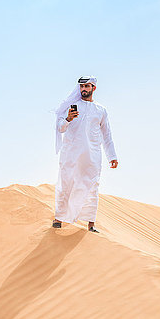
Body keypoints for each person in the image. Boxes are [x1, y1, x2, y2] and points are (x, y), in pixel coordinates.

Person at [52, 75, 119, 232]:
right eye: (81, 87)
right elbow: (60, 127)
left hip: (92, 155)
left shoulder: (101, 110)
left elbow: (107, 135)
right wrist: (68, 118)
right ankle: (58, 218)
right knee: (66, 183)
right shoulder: (72, 105)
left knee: (91, 186)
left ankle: (90, 224)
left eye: (87, 86)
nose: (84, 89)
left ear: (93, 88)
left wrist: (112, 156)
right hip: (71, 154)